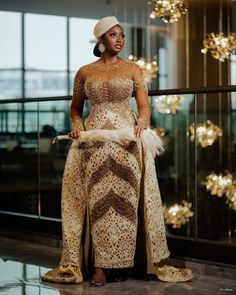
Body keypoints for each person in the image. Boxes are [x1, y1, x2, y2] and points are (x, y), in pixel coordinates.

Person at [41, 16, 193, 287]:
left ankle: (126, 262)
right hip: (94, 142)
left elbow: (144, 106)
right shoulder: (84, 72)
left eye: (121, 35)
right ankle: (100, 268)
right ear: (100, 40)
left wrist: (142, 124)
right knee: (98, 201)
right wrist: (77, 128)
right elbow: (75, 109)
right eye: (113, 35)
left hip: (127, 140)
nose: (120, 39)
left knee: (126, 200)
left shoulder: (133, 69)